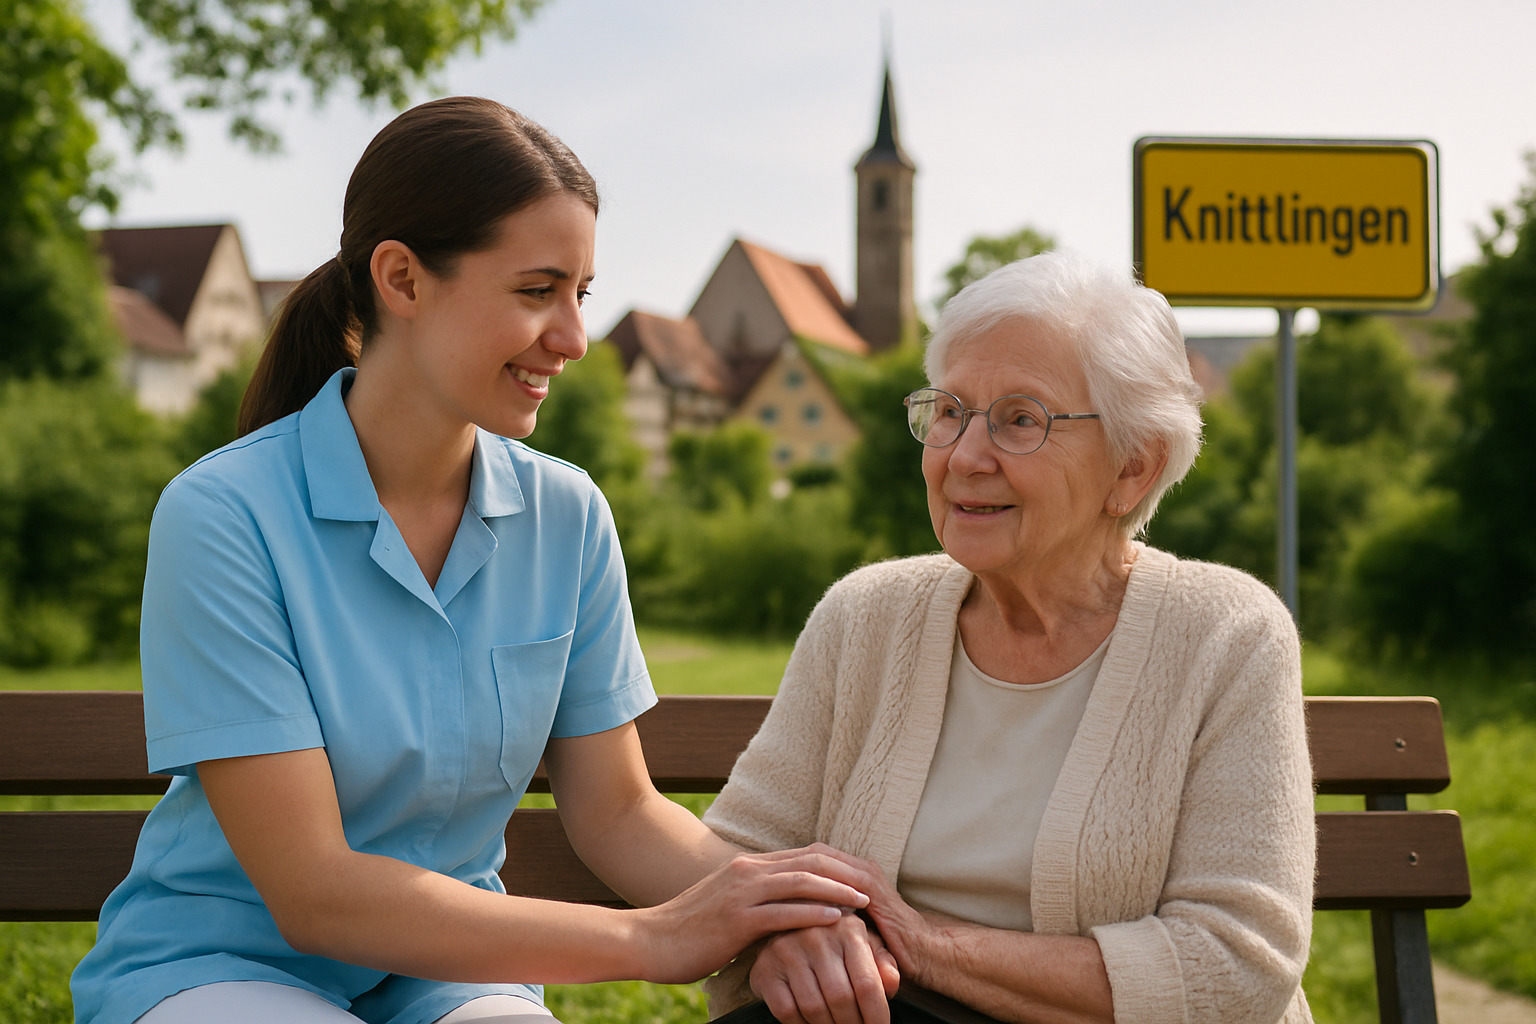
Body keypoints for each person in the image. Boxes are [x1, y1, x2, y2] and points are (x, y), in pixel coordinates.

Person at [70, 96, 879, 1024]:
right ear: (402, 280)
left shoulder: (566, 515)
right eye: (537, 291)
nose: (573, 340)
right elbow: (314, 891)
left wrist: (784, 912)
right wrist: (649, 940)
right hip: (218, 968)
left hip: (452, 976)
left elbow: (617, 813)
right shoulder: (223, 516)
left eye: (581, 294)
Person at [701, 251, 1316, 1024]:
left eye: (1020, 420)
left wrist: (922, 947)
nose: (964, 456)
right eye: (951, 412)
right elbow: (735, 864)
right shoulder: (865, 617)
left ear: (1133, 466)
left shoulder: (1226, 635)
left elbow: (1233, 964)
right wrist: (780, 938)